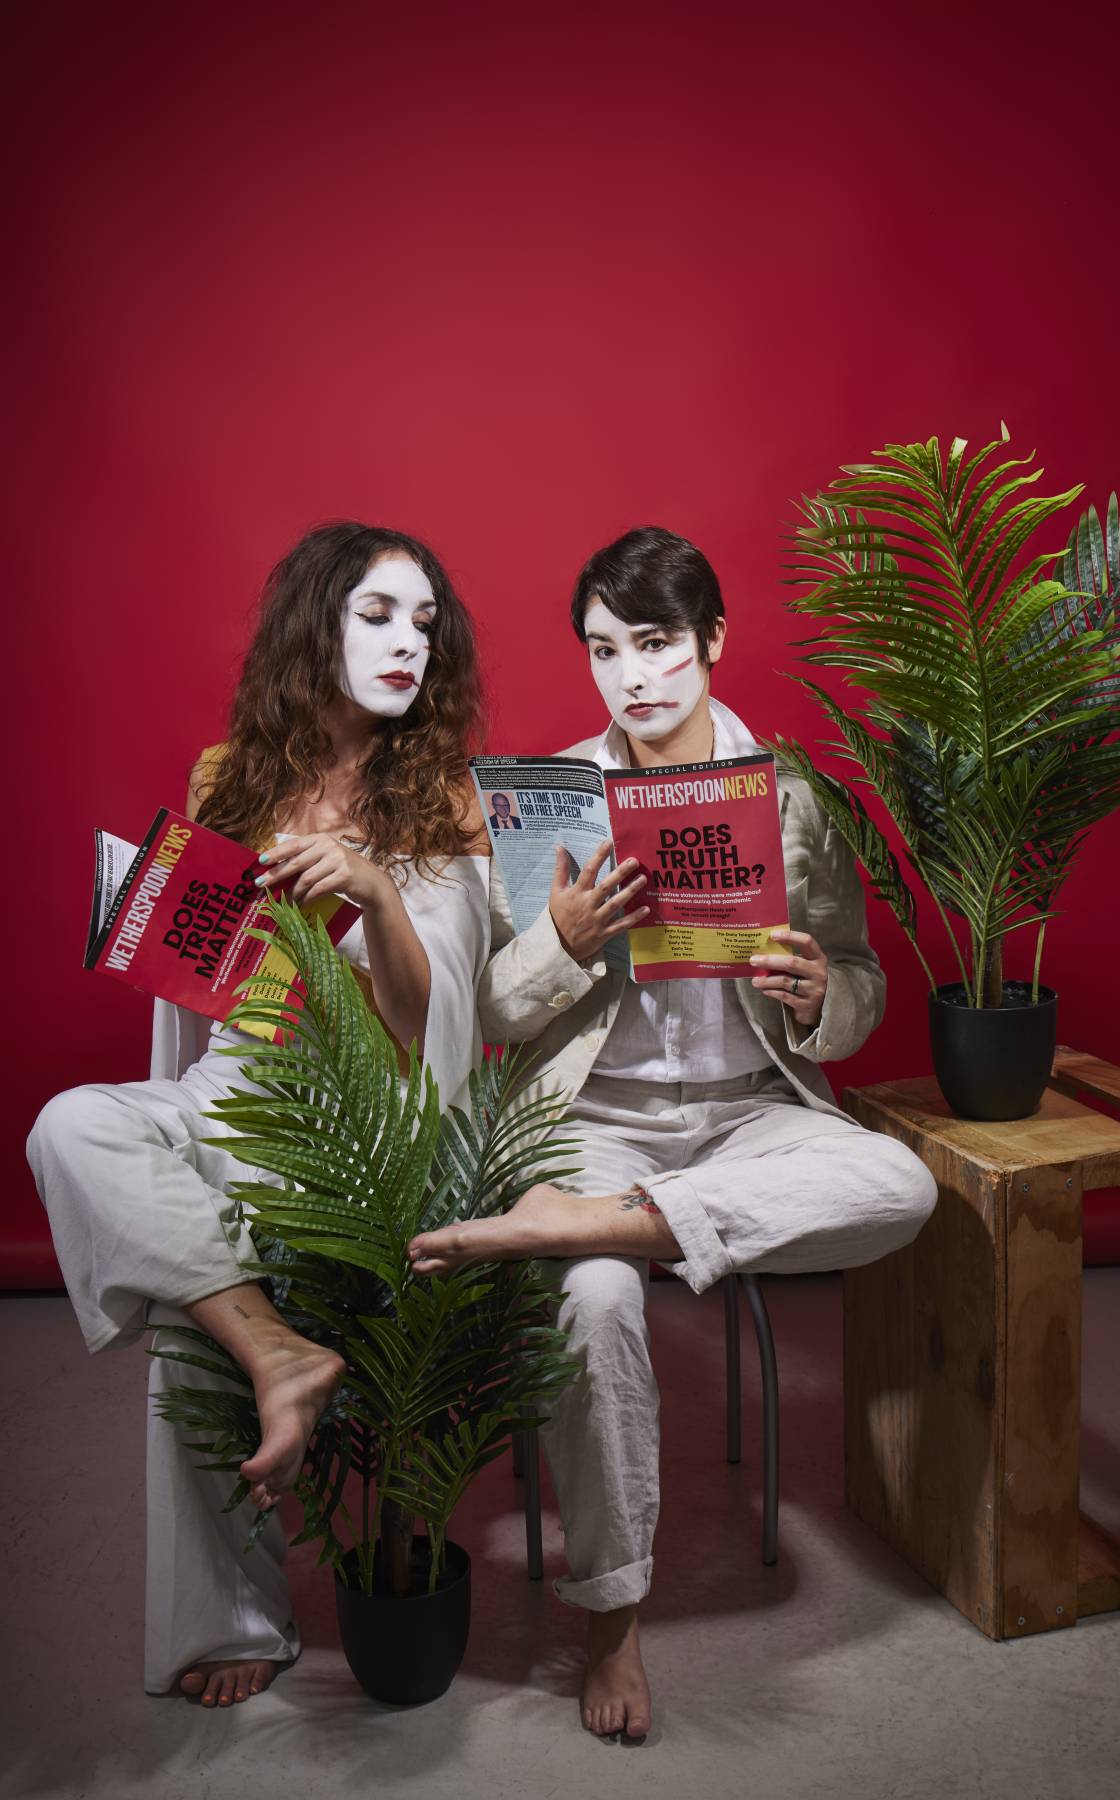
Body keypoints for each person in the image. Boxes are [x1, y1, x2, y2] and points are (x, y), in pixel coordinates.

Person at [408, 525, 939, 1742]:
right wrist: (565, 944)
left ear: (711, 641)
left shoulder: (796, 794)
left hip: (753, 1118)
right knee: (595, 1304)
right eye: (605, 650)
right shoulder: (548, 793)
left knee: (900, 1185)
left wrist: (818, 996)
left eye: (655, 644)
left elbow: (858, 985)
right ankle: (612, 1619)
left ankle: (570, 1231)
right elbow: (490, 1007)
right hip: (596, 1125)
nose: (632, 677)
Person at [28, 522, 490, 1706]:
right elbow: (203, 976)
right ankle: (277, 1352)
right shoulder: (225, 775)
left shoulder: (442, 796)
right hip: (229, 1089)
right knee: (68, 1126)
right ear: (314, 624)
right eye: (377, 616)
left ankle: (233, 1611)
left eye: (424, 624)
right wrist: (147, 919)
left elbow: (423, 1024)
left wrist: (378, 891)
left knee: (184, 1308)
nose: (406, 646)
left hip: (355, 1117)